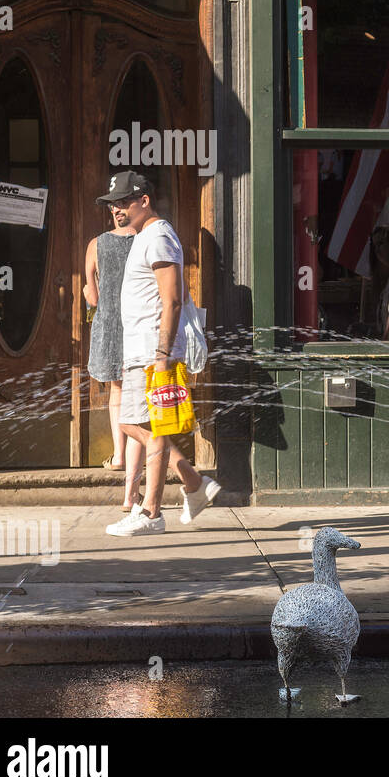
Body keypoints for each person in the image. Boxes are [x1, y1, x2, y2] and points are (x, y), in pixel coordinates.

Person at [99, 171, 224, 538]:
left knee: (151, 428)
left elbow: (171, 298)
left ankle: (152, 511)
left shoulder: (159, 235)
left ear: (144, 200)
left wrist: (162, 353)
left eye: (123, 202)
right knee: (129, 424)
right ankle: (193, 483)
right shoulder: (142, 237)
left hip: (155, 352)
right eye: (112, 205)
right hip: (140, 351)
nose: (117, 210)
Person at [84, 203, 146, 504]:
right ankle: (139, 457)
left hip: (108, 324)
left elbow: (92, 297)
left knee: (116, 390)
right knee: (139, 392)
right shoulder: (145, 239)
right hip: (138, 324)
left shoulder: (96, 244)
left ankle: (119, 455)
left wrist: (88, 294)